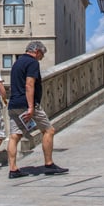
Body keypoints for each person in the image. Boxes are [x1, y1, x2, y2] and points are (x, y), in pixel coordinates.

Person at [7, 41, 68, 179]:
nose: (42, 57)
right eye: (42, 54)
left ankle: (13, 169)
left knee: (14, 136)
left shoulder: (17, 62)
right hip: (26, 103)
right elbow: (29, 84)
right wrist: (30, 107)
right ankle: (49, 164)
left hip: (13, 103)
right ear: (37, 51)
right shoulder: (32, 63)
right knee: (48, 130)